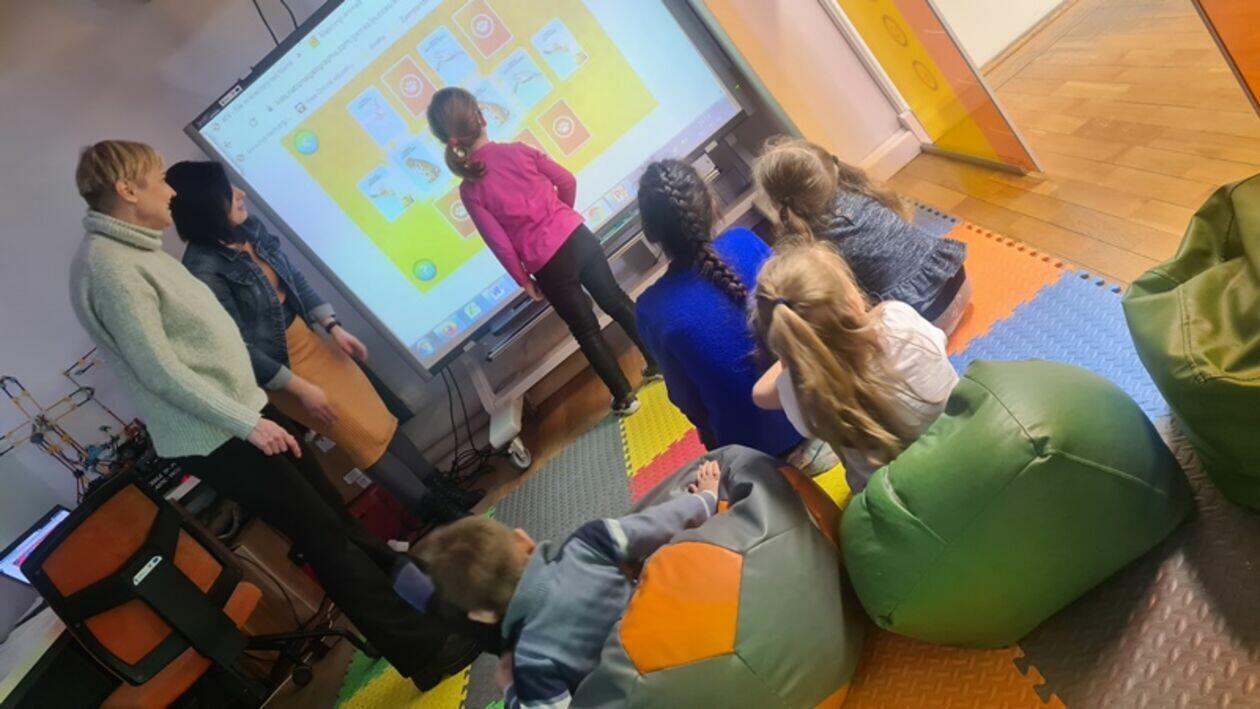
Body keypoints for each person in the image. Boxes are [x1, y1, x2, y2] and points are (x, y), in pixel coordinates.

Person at [68, 140, 483, 690]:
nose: (169, 191)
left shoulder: (138, 252)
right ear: (127, 189)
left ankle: (433, 611)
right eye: (157, 179)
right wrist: (247, 423)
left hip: (244, 415)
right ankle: (426, 650)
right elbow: (162, 372)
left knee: (336, 523)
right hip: (221, 433)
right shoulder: (111, 270)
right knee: (326, 538)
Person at [166, 160, 478, 523]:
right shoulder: (202, 269)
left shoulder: (248, 229)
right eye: (228, 191)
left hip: (310, 339)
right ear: (207, 205)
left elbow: (293, 278)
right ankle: (435, 512)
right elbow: (239, 348)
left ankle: (441, 488)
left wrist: (332, 326)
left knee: (379, 419)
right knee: (360, 439)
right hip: (283, 370)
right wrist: (299, 388)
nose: (241, 194)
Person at [415, 459, 723, 709]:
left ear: (482, 615)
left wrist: (510, 690)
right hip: (692, 649)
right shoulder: (590, 542)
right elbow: (661, 521)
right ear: (523, 541)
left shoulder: (530, 665)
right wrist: (706, 498)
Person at [427, 87, 657, 416]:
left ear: (447, 141)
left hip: (549, 266)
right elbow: (567, 181)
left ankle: (624, 397)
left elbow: (500, 244)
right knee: (617, 301)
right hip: (578, 238)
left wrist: (523, 280)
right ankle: (658, 363)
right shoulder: (519, 151)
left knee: (586, 331)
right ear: (481, 117)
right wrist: (562, 217)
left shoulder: (470, 190)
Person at [748, 242, 958, 494]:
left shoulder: (803, 392)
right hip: (964, 446)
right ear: (852, 299)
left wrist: (793, 357)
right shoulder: (896, 318)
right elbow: (940, 344)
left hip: (901, 497)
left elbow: (759, 395)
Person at [634, 159, 804, 457]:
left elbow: (686, 400)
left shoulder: (650, 309)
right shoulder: (744, 240)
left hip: (755, 451)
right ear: (712, 205)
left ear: (650, 234)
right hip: (818, 404)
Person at [754, 137, 971, 334]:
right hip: (958, 278)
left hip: (925, 321)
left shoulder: (814, 242)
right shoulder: (858, 190)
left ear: (777, 203)